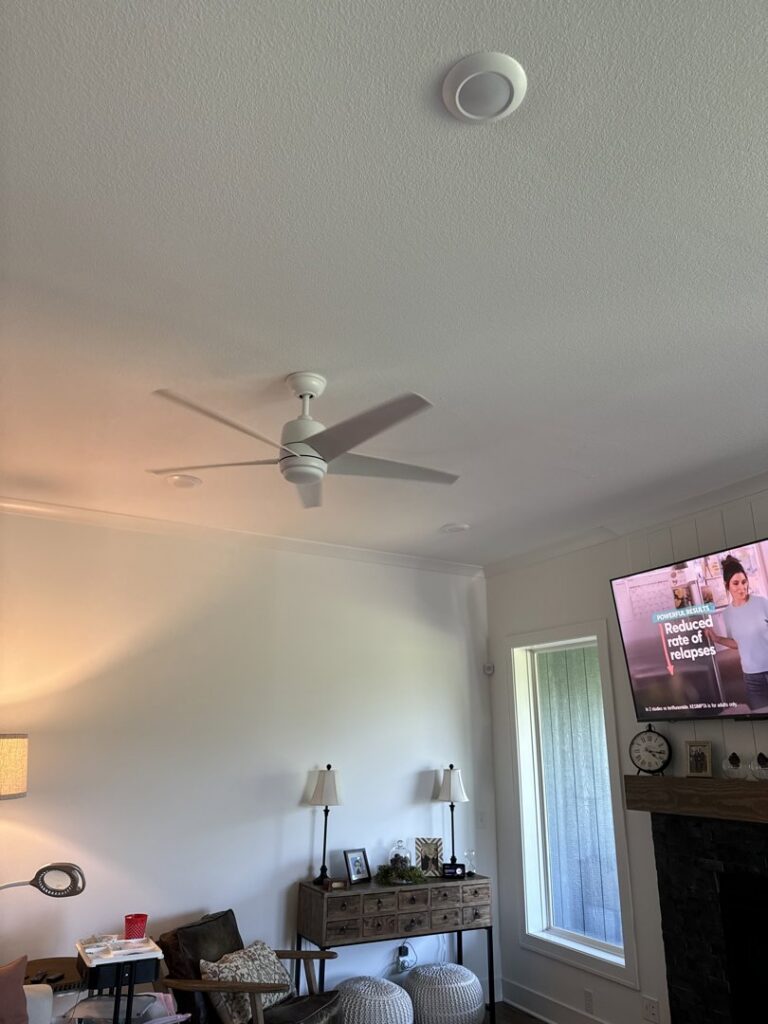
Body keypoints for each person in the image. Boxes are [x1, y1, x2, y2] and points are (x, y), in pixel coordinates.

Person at [707, 555, 768, 709]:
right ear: (727, 586)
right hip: (752, 678)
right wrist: (716, 638)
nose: (742, 587)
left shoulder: (762, 603)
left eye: (743, 582)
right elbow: (736, 643)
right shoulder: (728, 614)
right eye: (736, 583)